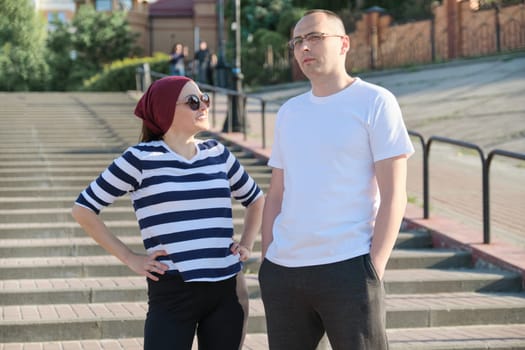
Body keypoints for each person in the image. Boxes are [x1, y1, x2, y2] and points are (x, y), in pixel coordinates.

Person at [258, 9, 414, 350]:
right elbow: (276, 194)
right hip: (284, 271)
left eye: (315, 37)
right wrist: (267, 258)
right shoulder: (289, 111)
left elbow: (394, 195)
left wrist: (373, 269)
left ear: (343, 44)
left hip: (349, 267)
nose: (304, 48)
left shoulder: (375, 101)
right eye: (298, 41)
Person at [71, 76, 264, 350]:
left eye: (204, 98)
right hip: (173, 291)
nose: (204, 106)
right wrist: (130, 258)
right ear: (164, 110)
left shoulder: (218, 153)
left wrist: (246, 243)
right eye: (193, 101)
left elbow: (256, 199)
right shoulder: (140, 158)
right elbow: (83, 209)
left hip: (228, 289)